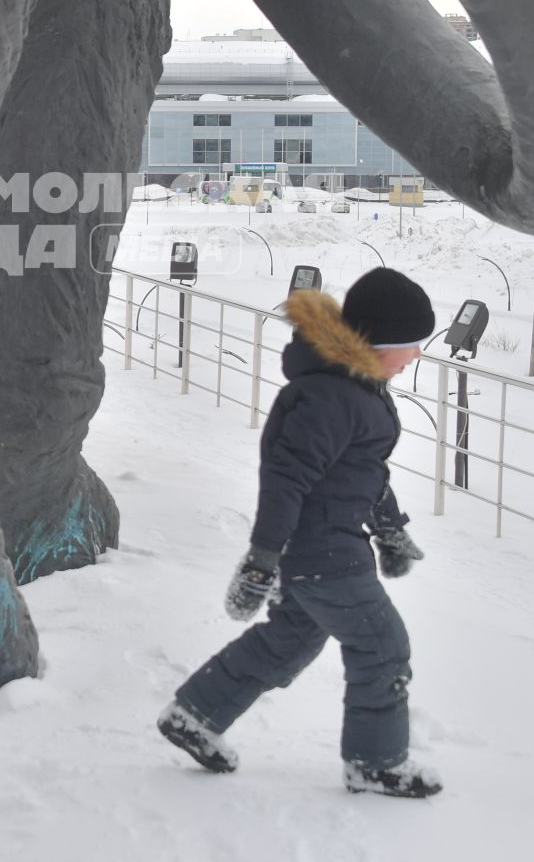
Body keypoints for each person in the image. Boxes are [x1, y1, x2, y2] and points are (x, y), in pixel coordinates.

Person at [157, 267, 441, 798]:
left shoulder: (356, 390)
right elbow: (285, 479)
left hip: (326, 546)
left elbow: (364, 472)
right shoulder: (330, 398)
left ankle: (194, 716)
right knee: (383, 647)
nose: (416, 356)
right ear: (378, 344)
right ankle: (375, 762)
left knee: (289, 640)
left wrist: (390, 531)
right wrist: (262, 558)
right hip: (324, 551)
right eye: (411, 345)